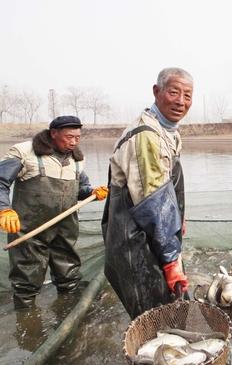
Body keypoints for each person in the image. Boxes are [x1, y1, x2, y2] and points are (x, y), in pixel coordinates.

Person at [102, 67, 193, 320]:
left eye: (188, 96)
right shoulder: (146, 136)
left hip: (156, 232)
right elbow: (153, 204)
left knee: (170, 302)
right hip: (135, 238)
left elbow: (165, 187)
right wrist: (172, 261)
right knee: (154, 314)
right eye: (174, 92)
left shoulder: (168, 132)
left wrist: (179, 218)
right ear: (157, 92)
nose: (181, 102)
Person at [0, 116, 108, 309]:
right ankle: (27, 323)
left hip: (64, 231)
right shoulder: (25, 152)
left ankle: (67, 313)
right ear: (53, 134)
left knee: (69, 278)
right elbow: (1, 181)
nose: (74, 142)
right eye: (69, 137)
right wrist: (4, 209)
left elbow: (80, 190)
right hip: (29, 231)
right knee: (26, 282)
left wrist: (92, 192)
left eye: (77, 137)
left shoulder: (77, 160)